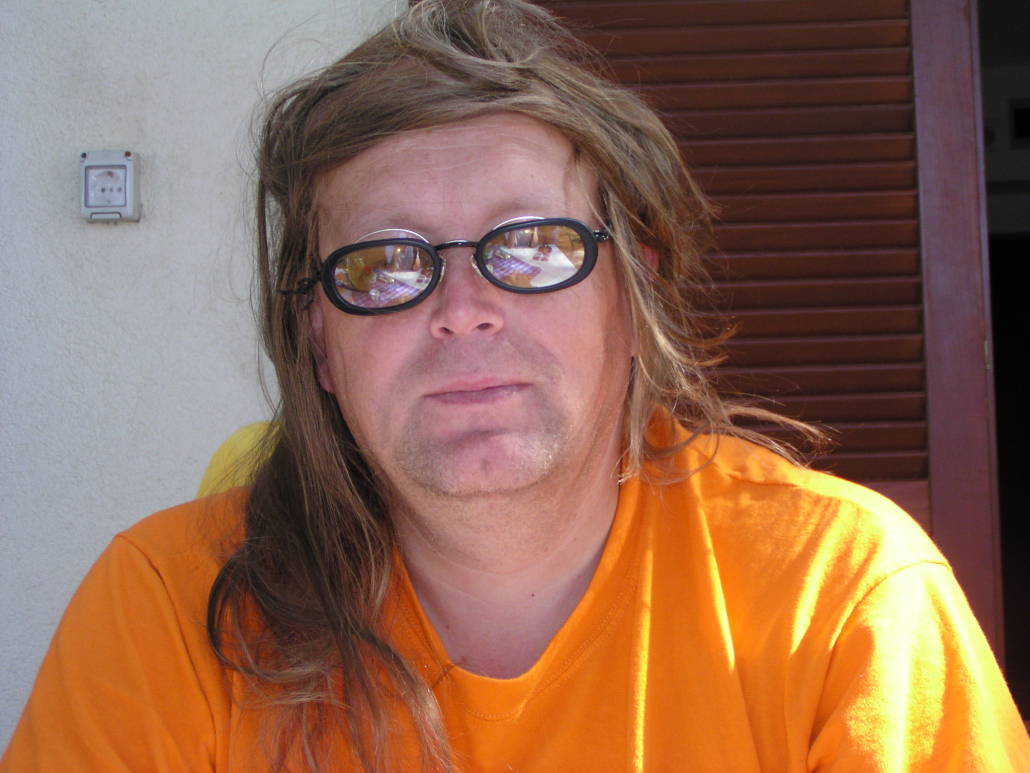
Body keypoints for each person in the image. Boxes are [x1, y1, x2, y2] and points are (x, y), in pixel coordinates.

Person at [3, 0, 1029, 771]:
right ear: (317, 339)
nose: (462, 309)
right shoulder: (161, 614)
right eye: (385, 262)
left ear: (630, 296)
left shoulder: (845, 601)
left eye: (533, 243)